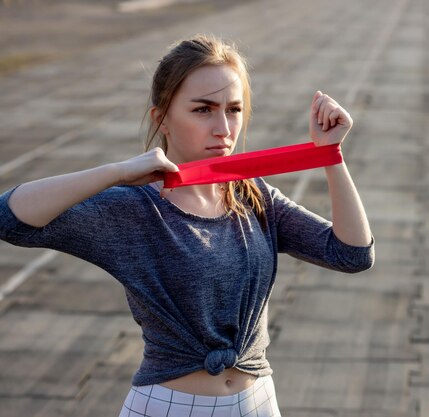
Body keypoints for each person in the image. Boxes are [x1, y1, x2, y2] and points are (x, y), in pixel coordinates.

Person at [0, 34, 374, 417]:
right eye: (203, 110)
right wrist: (116, 173)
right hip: (170, 407)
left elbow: (351, 253)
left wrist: (331, 154)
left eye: (233, 109)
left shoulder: (254, 196)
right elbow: (9, 218)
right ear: (161, 118)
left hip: (259, 401)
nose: (223, 128)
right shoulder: (133, 210)